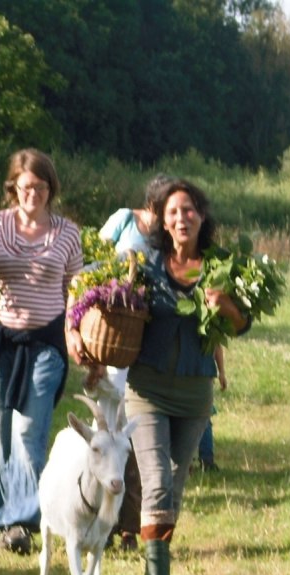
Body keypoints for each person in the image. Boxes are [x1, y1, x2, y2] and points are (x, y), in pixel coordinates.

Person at [73, 179, 249, 575]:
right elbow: (85, 286)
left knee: (173, 484)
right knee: (153, 482)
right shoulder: (143, 264)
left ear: (201, 217)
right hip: (147, 389)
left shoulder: (220, 267)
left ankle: (155, 574)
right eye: (173, 212)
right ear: (162, 221)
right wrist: (75, 332)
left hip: (194, 392)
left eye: (188, 210)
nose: (181, 218)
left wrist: (223, 302)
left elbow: (243, 323)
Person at [0, 149, 84, 555]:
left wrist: (78, 334)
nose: (34, 194)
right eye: (27, 187)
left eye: (41, 187)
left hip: (46, 344)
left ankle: (23, 519)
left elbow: (76, 290)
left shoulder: (67, 233)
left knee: (29, 431)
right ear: (14, 188)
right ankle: (1, 515)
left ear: (50, 189)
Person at [95, 174, 176, 551]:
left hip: (147, 336)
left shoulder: (168, 239)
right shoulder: (124, 220)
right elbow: (93, 265)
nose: (169, 218)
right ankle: (100, 518)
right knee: (109, 429)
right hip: (117, 335)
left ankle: (128, 525)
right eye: (165, 209)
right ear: (152, 205)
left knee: (137, 437)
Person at [196, 344, 227, 472]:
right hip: (197, 374)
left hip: (202, 375)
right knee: (204, 420)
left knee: (204, 420)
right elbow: (217, 345)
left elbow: (217, 345)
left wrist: (222, 372)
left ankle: (206, 460)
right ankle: (205, 461)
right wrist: (221, 373)